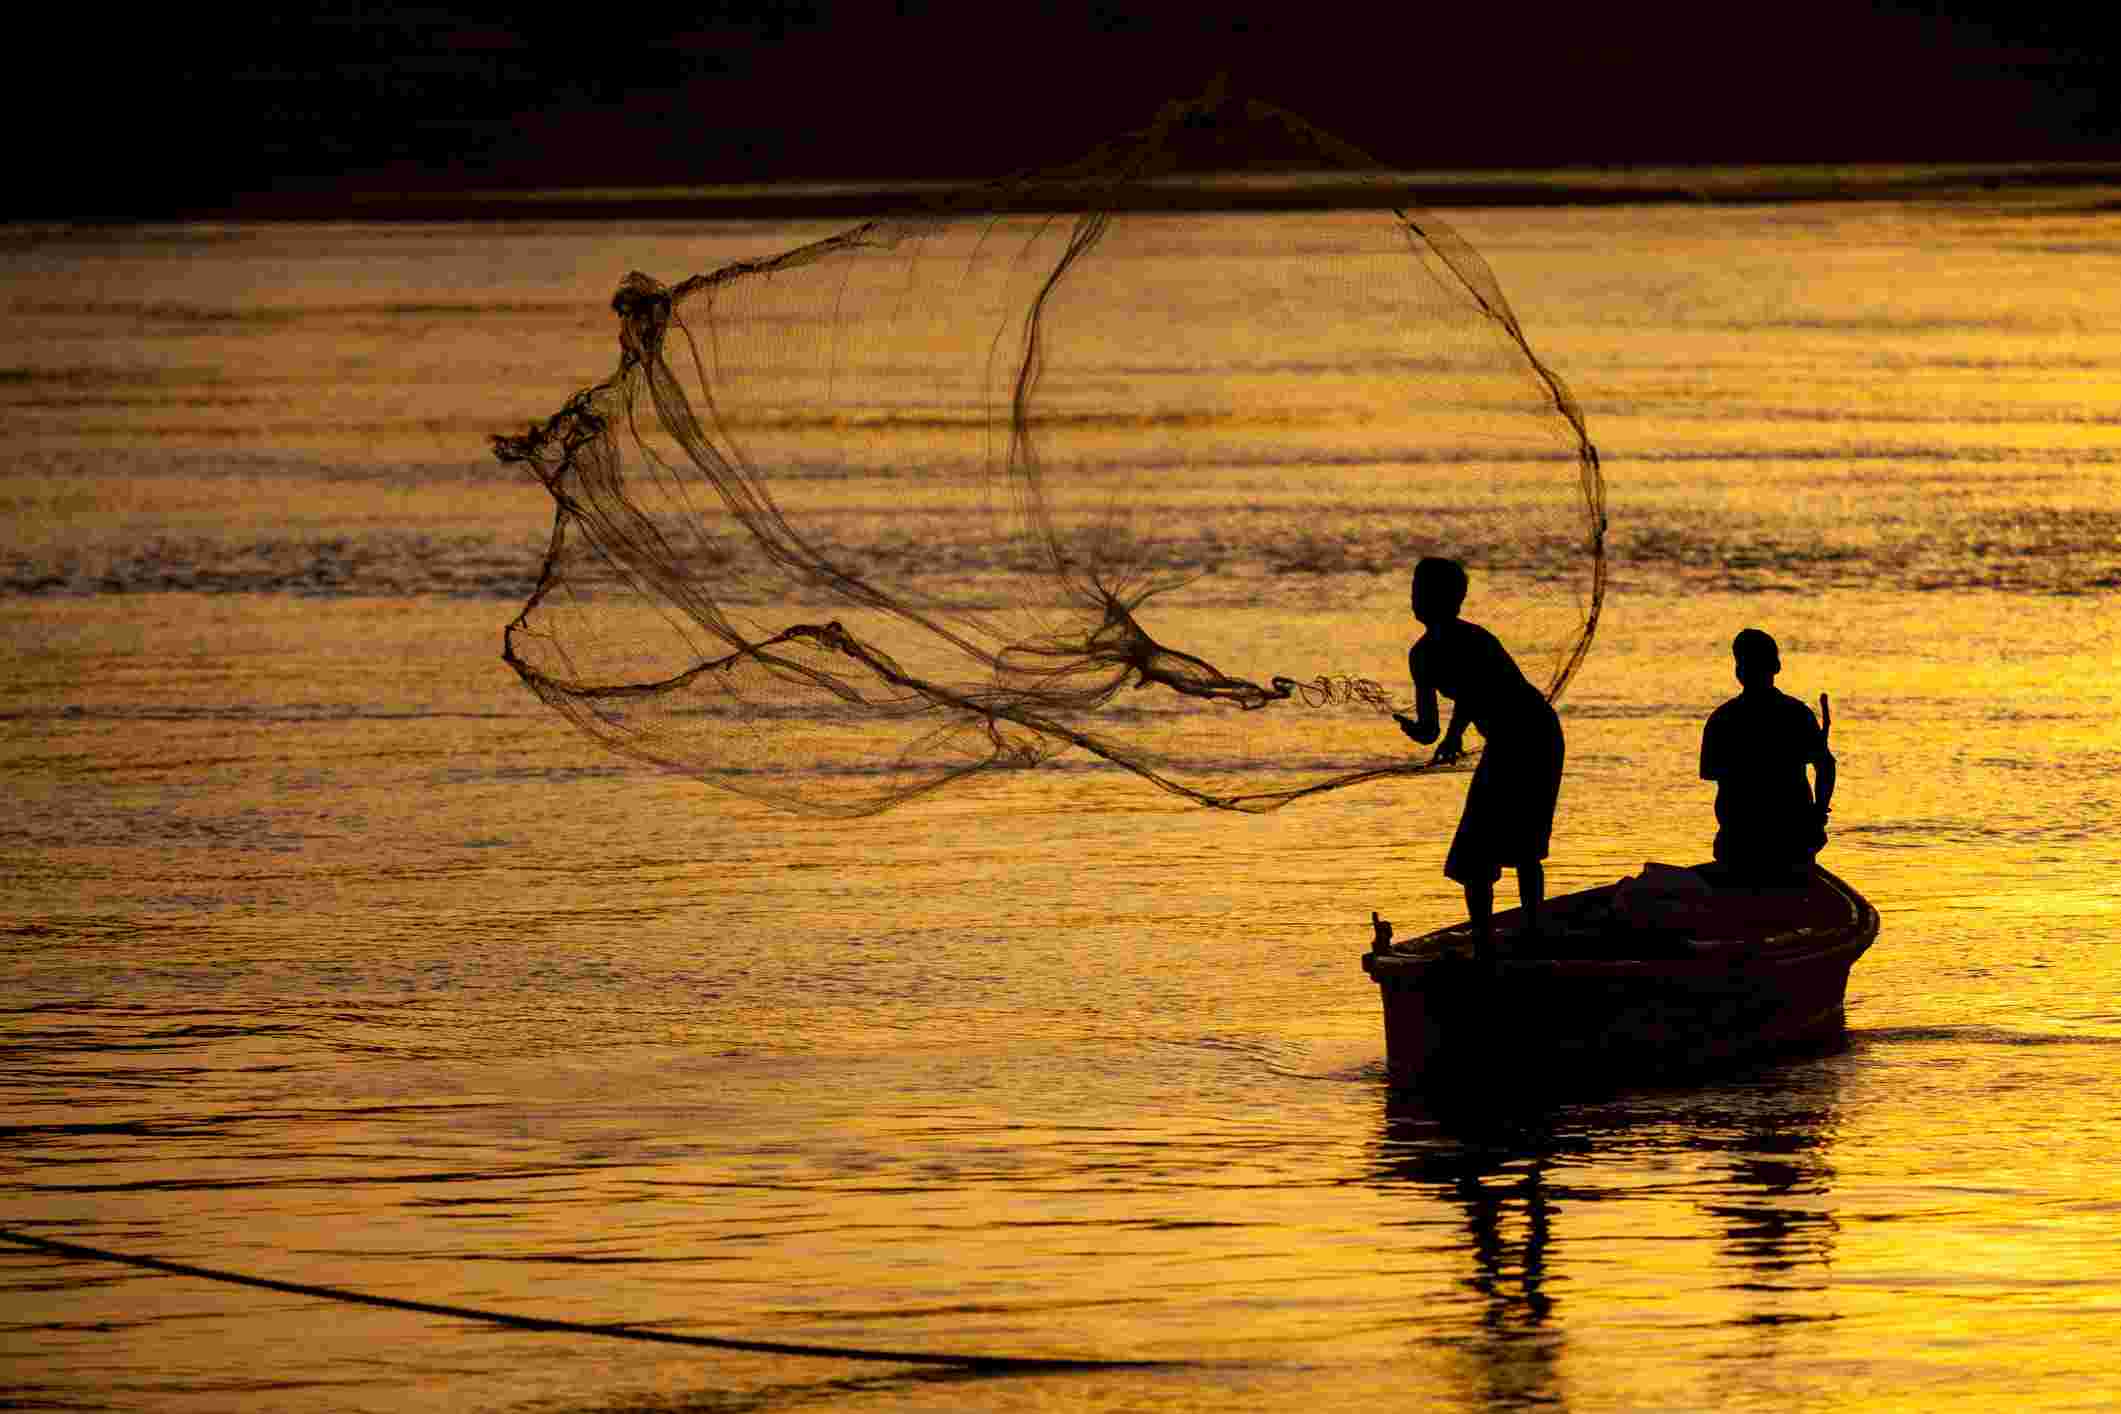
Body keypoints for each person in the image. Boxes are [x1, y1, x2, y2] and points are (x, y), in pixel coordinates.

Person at [1392, 557, 1565, 954]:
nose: (1416, 599)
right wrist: (1418, 731)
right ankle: (1486, 939)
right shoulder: (1420, 656)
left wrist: (1453, 736)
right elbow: (1430, 728)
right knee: (1475, 851)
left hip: (1535, 735)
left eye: (1425, 592)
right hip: (1504, 741)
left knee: (1523, 844)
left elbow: (1473, 691)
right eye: (1415, 591)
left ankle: (1532, 932)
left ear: (1451, 600)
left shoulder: (1475, 640)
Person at [1699, 628, 1836, 882]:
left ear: (1738, 672)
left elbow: (1713, 773)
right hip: (1789, 844)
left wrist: (1816, 815)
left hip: (1739, 845)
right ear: (1776, 666)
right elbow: (1826, 766)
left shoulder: (1722, 719)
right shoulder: (1796, 714)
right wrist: (1818, 813)